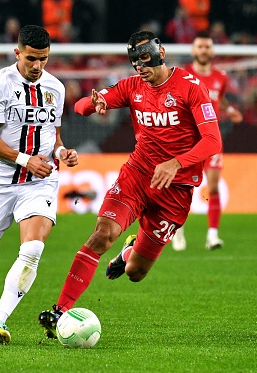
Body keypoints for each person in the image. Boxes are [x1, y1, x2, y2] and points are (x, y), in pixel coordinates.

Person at [37, 30, 222, 338]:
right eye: (135, 62)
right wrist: (91, 103)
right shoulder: (132, 87)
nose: (140, 67)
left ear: (160, 53)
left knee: (136, 273)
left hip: (175, 192)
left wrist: (176, 163)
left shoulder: (191, 88)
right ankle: (59, 311)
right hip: (136, 176)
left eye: (145, 59)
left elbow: (213, 140)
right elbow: (83, 106)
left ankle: (128, 253)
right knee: (102, 233)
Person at [0, 25, 79, 345]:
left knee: (33, 248)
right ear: (17, 53)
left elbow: (55, 137)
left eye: (44, 59)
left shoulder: (56, 88)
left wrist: (63, 152)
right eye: (32, 58)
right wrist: (24, 159)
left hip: (39, 183)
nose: (38, 66)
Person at [171, 32, 243, 251]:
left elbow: (217, 100)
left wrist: (230, 110)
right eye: (200, 47)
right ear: (193, 51)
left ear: (212, 51)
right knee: (181, 186)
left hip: (211, 137)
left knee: (212, 186)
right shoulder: (182, 74)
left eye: (207, 47)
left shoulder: (221, 77)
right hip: (185, 138)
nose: (203, 50)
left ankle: (212, 236)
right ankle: (177, 231)